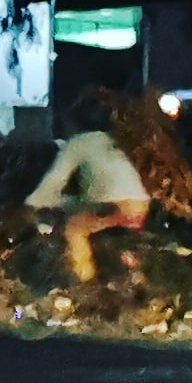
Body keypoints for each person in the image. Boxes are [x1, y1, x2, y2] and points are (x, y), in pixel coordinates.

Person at [27, 105, 151, 283]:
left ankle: (85, 280)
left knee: (73, 229)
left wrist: (33, 203)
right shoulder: (116, 140)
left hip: (113, 209)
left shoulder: (79, 142)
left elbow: (55, 178)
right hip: (140, 207)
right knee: (78, 207)